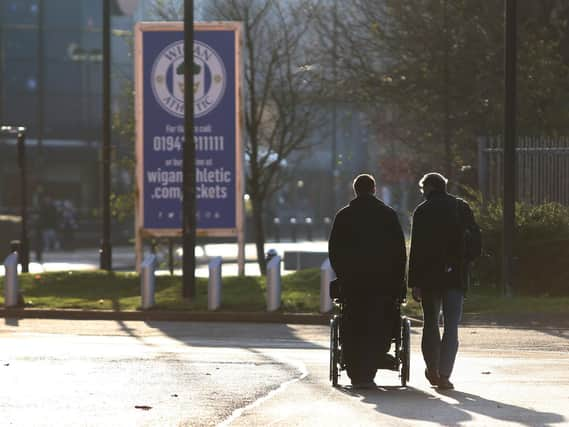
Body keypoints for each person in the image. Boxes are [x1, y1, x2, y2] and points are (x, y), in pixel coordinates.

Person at [328, 173, 407, 389]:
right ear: (374, 189)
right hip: (383, 282)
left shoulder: (344, 216)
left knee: (353, 322)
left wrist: (342, 274)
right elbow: (399, 252)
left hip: (353, 282)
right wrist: (399, 281)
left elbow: (334, 250)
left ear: (355, 190)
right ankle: (374, 360)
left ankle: (355, 369)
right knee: (379, 320)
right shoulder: (388, 215)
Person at [408, 172, 480, 390]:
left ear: (428, 187)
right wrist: (465, 261)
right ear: (444, 186)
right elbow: (476, 242)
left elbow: (417, 250)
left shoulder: (422, 211)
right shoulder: (461, 207)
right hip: (455, 276)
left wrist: (414, 282)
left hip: (429, 279)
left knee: (431, 324)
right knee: (451, 327)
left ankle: (432, 369)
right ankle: (445, 374)